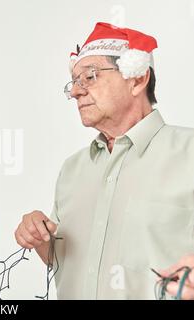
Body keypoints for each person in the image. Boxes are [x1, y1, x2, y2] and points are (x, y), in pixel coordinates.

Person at [15, 22, 194, 299]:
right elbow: (63, 260)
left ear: (137, 79)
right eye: (74, 81)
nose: (76, 92)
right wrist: (39, 238)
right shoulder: (72, 169)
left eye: (90, 77)